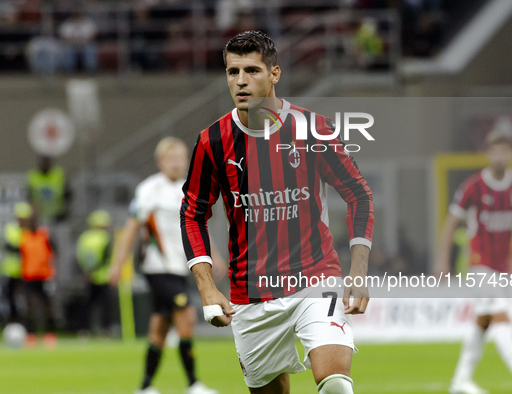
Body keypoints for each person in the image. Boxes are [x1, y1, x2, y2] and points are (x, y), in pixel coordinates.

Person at [180, 31, 374, 394]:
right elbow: (192, 213)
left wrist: (359, 269)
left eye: (251, 70)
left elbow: (358, 194)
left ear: (275, 74)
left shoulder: (312, 129)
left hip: (315, 278)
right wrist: (207, 288)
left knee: (335, 385)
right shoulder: (212, 141)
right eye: (232, 71)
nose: (240, 81)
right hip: (249, 294)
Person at [436, 131, 512, 394]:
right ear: (487, 154)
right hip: (478, 263)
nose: (500, 156)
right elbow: (451, 223)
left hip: (502, 265)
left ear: (511, 154)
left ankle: (460, 381)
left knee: (483, 322)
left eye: (505, 151)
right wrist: (443, 259)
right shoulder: (473, 186)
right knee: (499, 314)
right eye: (495, 151)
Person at [110, 137, 223, 394]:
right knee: (187, 316)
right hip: (158, 268)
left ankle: (145, 386)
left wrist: (213, 254)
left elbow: (197, 225)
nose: (176, 163)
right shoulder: (149, 190)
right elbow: (130, 229)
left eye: (181, 158)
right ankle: (194, 384)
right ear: (160, 162)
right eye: (170, 159)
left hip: (179, 267)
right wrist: (118, 264)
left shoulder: (190, 188)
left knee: (159, 328)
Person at [20, 207, 57, 348]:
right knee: (30, 306)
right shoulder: (24, 236)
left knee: (47, 306)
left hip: (44, 276)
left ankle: (50, 334)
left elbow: (54, 252)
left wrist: (52, 271)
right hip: (29, 276)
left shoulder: (44, 235)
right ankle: (31, 335)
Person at [76, 209, 113, 336]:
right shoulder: (104, 238)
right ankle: (105, 330)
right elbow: (105, 257)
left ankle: (84, 330)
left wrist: (86, 271)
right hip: (102, 276)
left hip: (88, 276)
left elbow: (80, 256)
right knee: (104, 306)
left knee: (87, 305)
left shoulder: (84, 237)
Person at [1, 202, 33, 324]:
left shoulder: (31, 230)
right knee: (9, 295)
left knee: (28, 296)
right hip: (12, 269)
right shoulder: (11, 229)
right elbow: (11, 247)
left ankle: (28, 321)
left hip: (28, 270)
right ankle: (13, 319)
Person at [27, 155, 70, 223]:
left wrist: (66, 209)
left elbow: (67, 193)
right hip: (39, 215)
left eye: (46, 162)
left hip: (57, 214)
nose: (44, 165)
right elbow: (29, 196)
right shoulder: (33, 176)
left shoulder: (58, 174)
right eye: (42, 162)